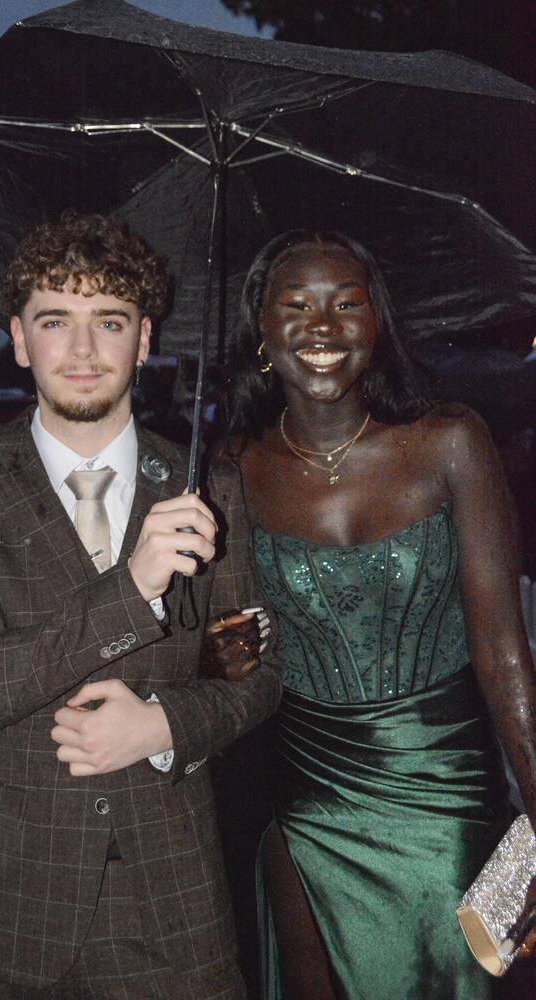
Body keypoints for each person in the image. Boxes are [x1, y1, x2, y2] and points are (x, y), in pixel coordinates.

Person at [0, 212, 281, 1000]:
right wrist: (131, 587)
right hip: (11, 899)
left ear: (144, 340)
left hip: (171, 898)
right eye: (56, 322)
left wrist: (165, 726)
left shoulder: (207, 486)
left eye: (109, 321)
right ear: (19, 338)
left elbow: (251, 670)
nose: (82, 352)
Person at [220, 228, 536, 999]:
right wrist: (221, 650)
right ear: (261, 332)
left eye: (346, 304)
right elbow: (228, 653)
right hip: (305, 808)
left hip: (450, 805)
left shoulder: (450, 443)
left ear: (378, 324)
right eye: (294, 305)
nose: (322, 328)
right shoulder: (232, 468)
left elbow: (502, 653)